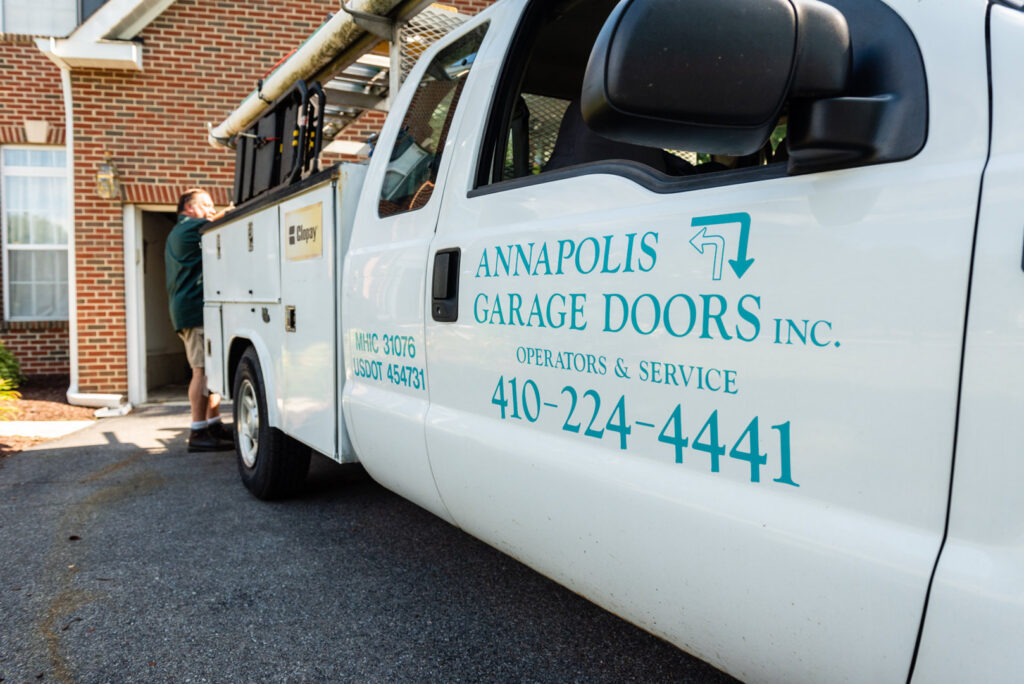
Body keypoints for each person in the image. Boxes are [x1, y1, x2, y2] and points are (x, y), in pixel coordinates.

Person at [165, 188, 234, 452]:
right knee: (201, 371)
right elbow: (218, 221)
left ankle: (213, 424)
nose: (210, 208)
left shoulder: (189, 230)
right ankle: (197, 433)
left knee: (210, 370)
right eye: (204, 204)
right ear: (188, 209)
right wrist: (232, 208)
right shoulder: (186, 228)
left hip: (195, 310)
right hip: (193, 312)